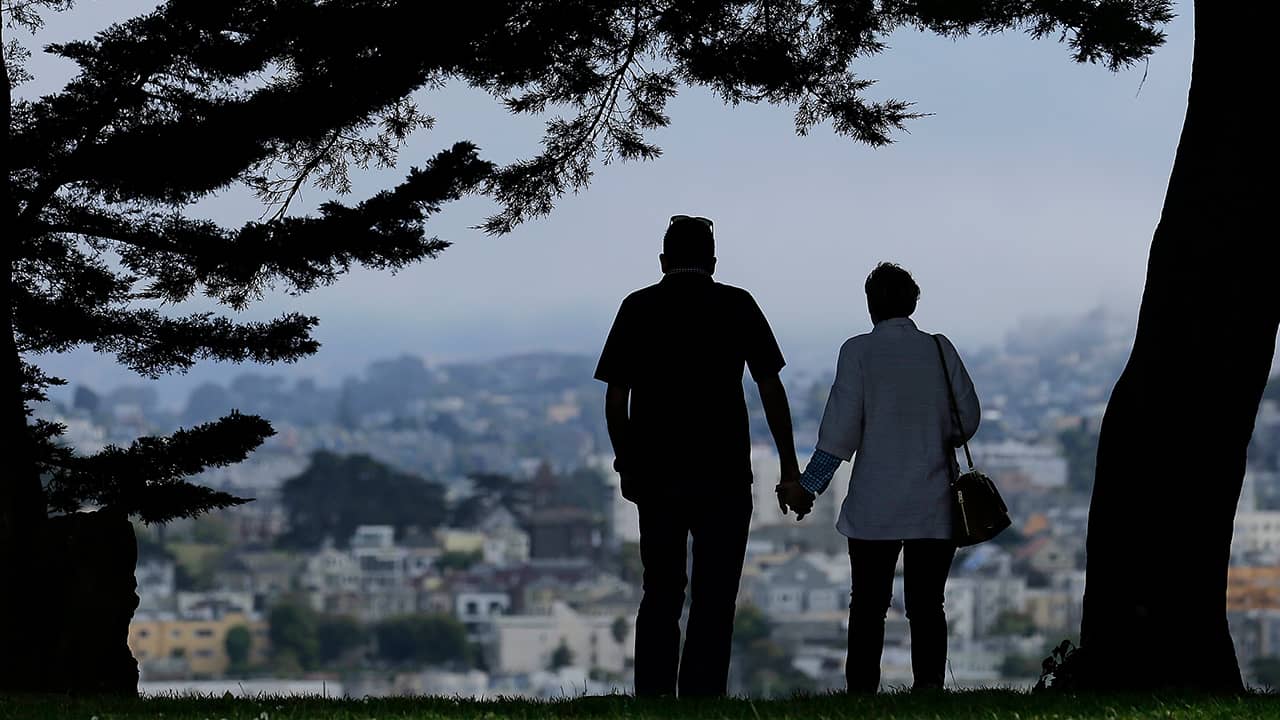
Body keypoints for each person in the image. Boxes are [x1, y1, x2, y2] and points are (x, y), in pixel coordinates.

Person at [594, 214, 801, 697]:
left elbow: (614, 398)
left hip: (658, 472)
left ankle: (654, 693)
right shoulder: (738, 304)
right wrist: (789, 465)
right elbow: (770, 387)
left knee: (661, 590)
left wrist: (627, 462)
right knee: (715, 595)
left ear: (664, 260)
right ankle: (703, 694)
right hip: (723, 471)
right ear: (712, 261)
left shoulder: (638, 307)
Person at [776, 262, 980, 692]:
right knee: (927, 607)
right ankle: (928, 691)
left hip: (875, 504)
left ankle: (862, 693)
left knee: (867, 606)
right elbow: (968, 419)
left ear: (870, 305)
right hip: (933, 503)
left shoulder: (858, 352)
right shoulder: (941, 349)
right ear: (913, 302)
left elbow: (839, 434)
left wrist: (807, 487)